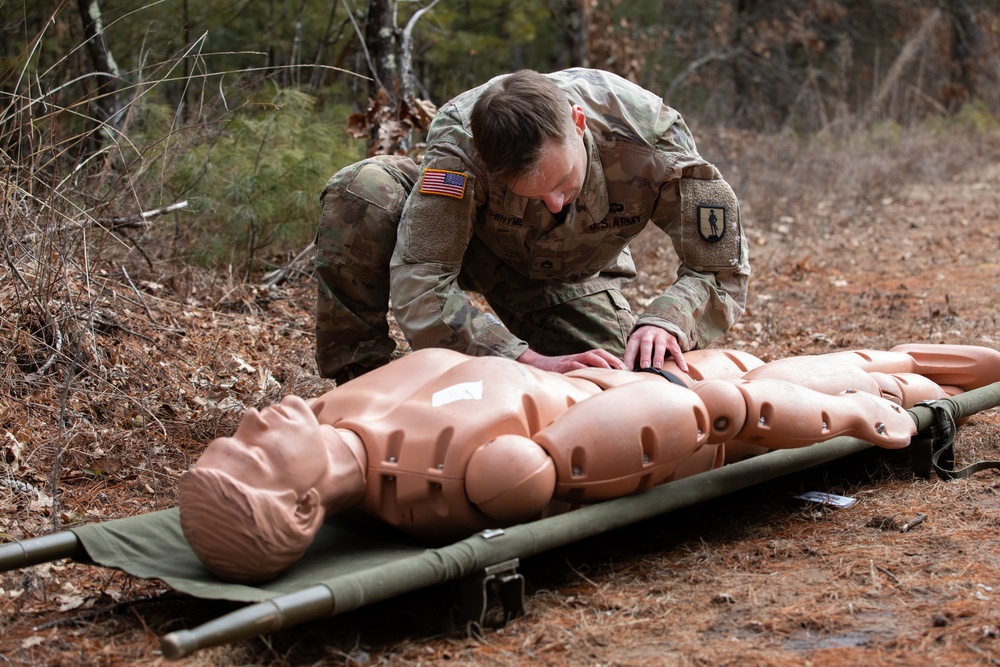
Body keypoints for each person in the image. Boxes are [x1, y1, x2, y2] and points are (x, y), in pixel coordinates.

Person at [179, 343, 1000, 584]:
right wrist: (849, 414)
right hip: (723, 397)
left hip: (621, 373)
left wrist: (546, 364)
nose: (255, 417)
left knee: (859, 359)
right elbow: (702, 415)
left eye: (237, 429)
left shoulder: (333, 414)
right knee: (885, 369)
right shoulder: (487, 473)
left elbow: (475, 372)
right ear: (301, 513)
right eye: (253, 448)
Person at [315, 68, 750, 386]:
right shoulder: (461, 144)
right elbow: (422, 280)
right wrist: (521, 357)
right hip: (472, 244)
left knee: (624, 383)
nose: (555, 204)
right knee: (362, 188)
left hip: (566, 274)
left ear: (578, 124)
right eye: (531, 194)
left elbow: (718, 267)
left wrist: (667, 321)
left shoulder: (649, 136)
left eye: (563, 183)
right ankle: (359, 379)